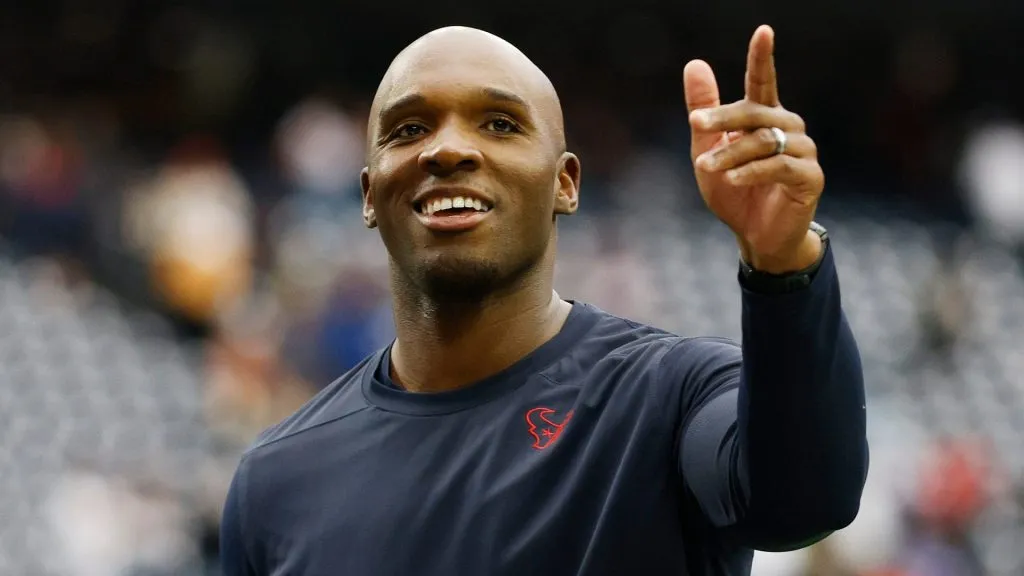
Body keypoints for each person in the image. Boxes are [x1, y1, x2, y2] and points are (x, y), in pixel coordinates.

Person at [220, 24, 868, 576]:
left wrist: (784, 265)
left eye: (500, 123)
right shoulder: (275, 481)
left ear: (565, 183)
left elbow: (801, 502)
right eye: (410, 128)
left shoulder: (671, 396)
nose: (447, 149)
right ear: (368, 193)